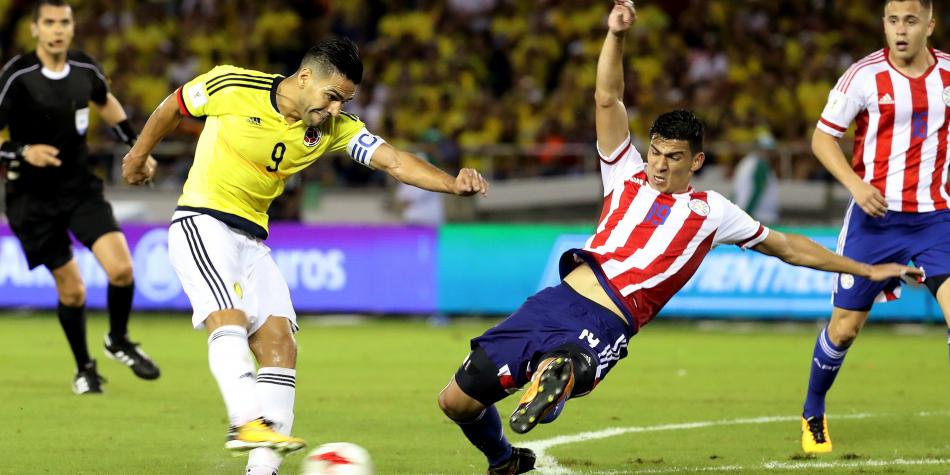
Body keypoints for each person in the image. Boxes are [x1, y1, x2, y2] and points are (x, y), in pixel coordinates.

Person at [435, 2, 922, 474]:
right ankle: (505, 459)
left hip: (610, 318)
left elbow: (789, 247)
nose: (660, 165)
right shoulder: (624, 173)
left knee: (571, 364)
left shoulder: (713, 212)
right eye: (655, 153)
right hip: (554, 300)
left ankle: (556, 381)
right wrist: (616, 35)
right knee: (455, 401)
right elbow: (607, 98)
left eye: (673, 157)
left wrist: (865, 269)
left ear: (696, 161)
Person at [121, 38, 488, 473]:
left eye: (344, 101)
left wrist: (451, 184)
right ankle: (244, 421)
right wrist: (138, 156)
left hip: (252, 241)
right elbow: (172, 107)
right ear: (305, 76)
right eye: (333, 97)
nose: (335, 109)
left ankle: (264, 469)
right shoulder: (232, 85)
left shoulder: (334, 129)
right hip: (202, 222)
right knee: (228, 316)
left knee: (281, 344)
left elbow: (393, 161)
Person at [799, 0, 950, 454]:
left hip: (937, 219)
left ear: (929, 23)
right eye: (892, 21)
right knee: (844, 328)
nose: (900, 31)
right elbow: (822, 138)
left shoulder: (948, 74)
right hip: (876, 219)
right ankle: (813, 410)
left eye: (909, 21)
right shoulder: (863, 76)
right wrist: (855, 185)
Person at [0, 0, 159, 395]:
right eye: (49, 22)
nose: (57, 29)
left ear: (72, 28)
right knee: (73, 291)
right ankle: (84, 368)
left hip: (78, 188)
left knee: (121, 269)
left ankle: (118, 339)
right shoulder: (17, 76)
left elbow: (105, 102)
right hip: (30, 198)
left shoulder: (85, 68)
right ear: (35, 29)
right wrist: (23, 152)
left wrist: (137, 149)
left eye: (64, 22)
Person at [733, 131, 779, 225]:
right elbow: (758, 189)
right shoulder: (759, 165)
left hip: (745, 213)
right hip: (759, 216)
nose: (768, 153)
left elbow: (735, 192)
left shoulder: (746, 163)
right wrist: (748, 213)